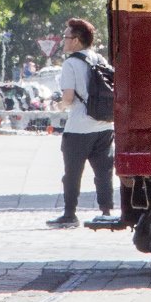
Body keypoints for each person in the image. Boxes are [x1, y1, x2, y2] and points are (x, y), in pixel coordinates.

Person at [47, 18, 114, 229]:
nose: (63, 42)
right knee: (103, 172)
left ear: (76, 40)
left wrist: (57, 107)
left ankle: (69, 214)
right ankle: (106, 211)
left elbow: (68, 98)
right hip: (104, 126)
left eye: (66, 37)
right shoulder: (99, 59)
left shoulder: (70, 64)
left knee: (72, 174)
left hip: (78, 129)